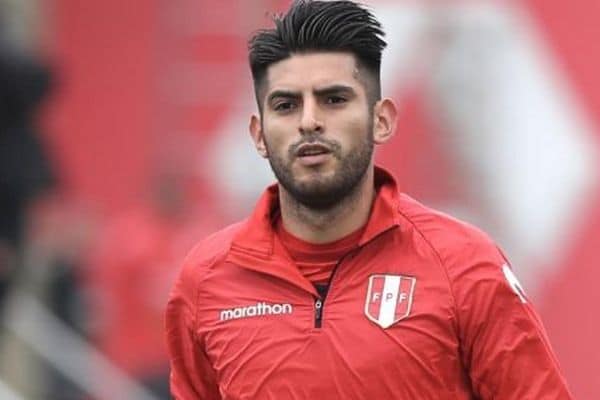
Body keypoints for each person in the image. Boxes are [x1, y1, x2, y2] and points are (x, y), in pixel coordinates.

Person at [165, 1, 573, 399]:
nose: (309, 121)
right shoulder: (206, 279)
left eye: (334, 100)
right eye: (286, 105)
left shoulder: (465, 265)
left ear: (382, 120)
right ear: (258, 134)